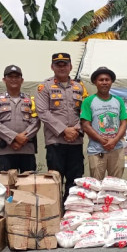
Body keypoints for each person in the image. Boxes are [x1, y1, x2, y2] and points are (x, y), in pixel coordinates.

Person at [35, 52, 88, 202]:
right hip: (55, 142)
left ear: (70, 66)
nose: (62, 67)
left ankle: (72, 211)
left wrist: (76, 129)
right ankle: (56, 211)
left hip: (75, 141)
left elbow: (85, 112)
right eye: (58, 64)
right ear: (52, 67)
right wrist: (64, 130)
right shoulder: (44, 87)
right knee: (54, 181)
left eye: (65, 64)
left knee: (75, 180)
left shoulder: (79, 87)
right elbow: (42, 112)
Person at [0, 65, 40, 173]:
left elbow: (36, 122)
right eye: (10, 77)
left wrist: (22, 140)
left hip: (27, 149)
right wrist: (14, 137)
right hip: (6, 149)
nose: (13, 79)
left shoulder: (30, 100)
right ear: (4, 79)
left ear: (22, 80)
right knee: (8, 184)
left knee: (29, 183)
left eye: (17, 77)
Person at [80, 66, 127, 180]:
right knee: (96, 185)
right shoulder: (88, 101)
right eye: (101, 80)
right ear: (95, 82)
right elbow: (86, 125)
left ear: (111, 82)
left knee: (116, 184)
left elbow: (124, 123)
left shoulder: (118, 100)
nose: (104, 82)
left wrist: (114, 141)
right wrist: (103, 141)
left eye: (107, 80)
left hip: (116, 148)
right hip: (97, 150)